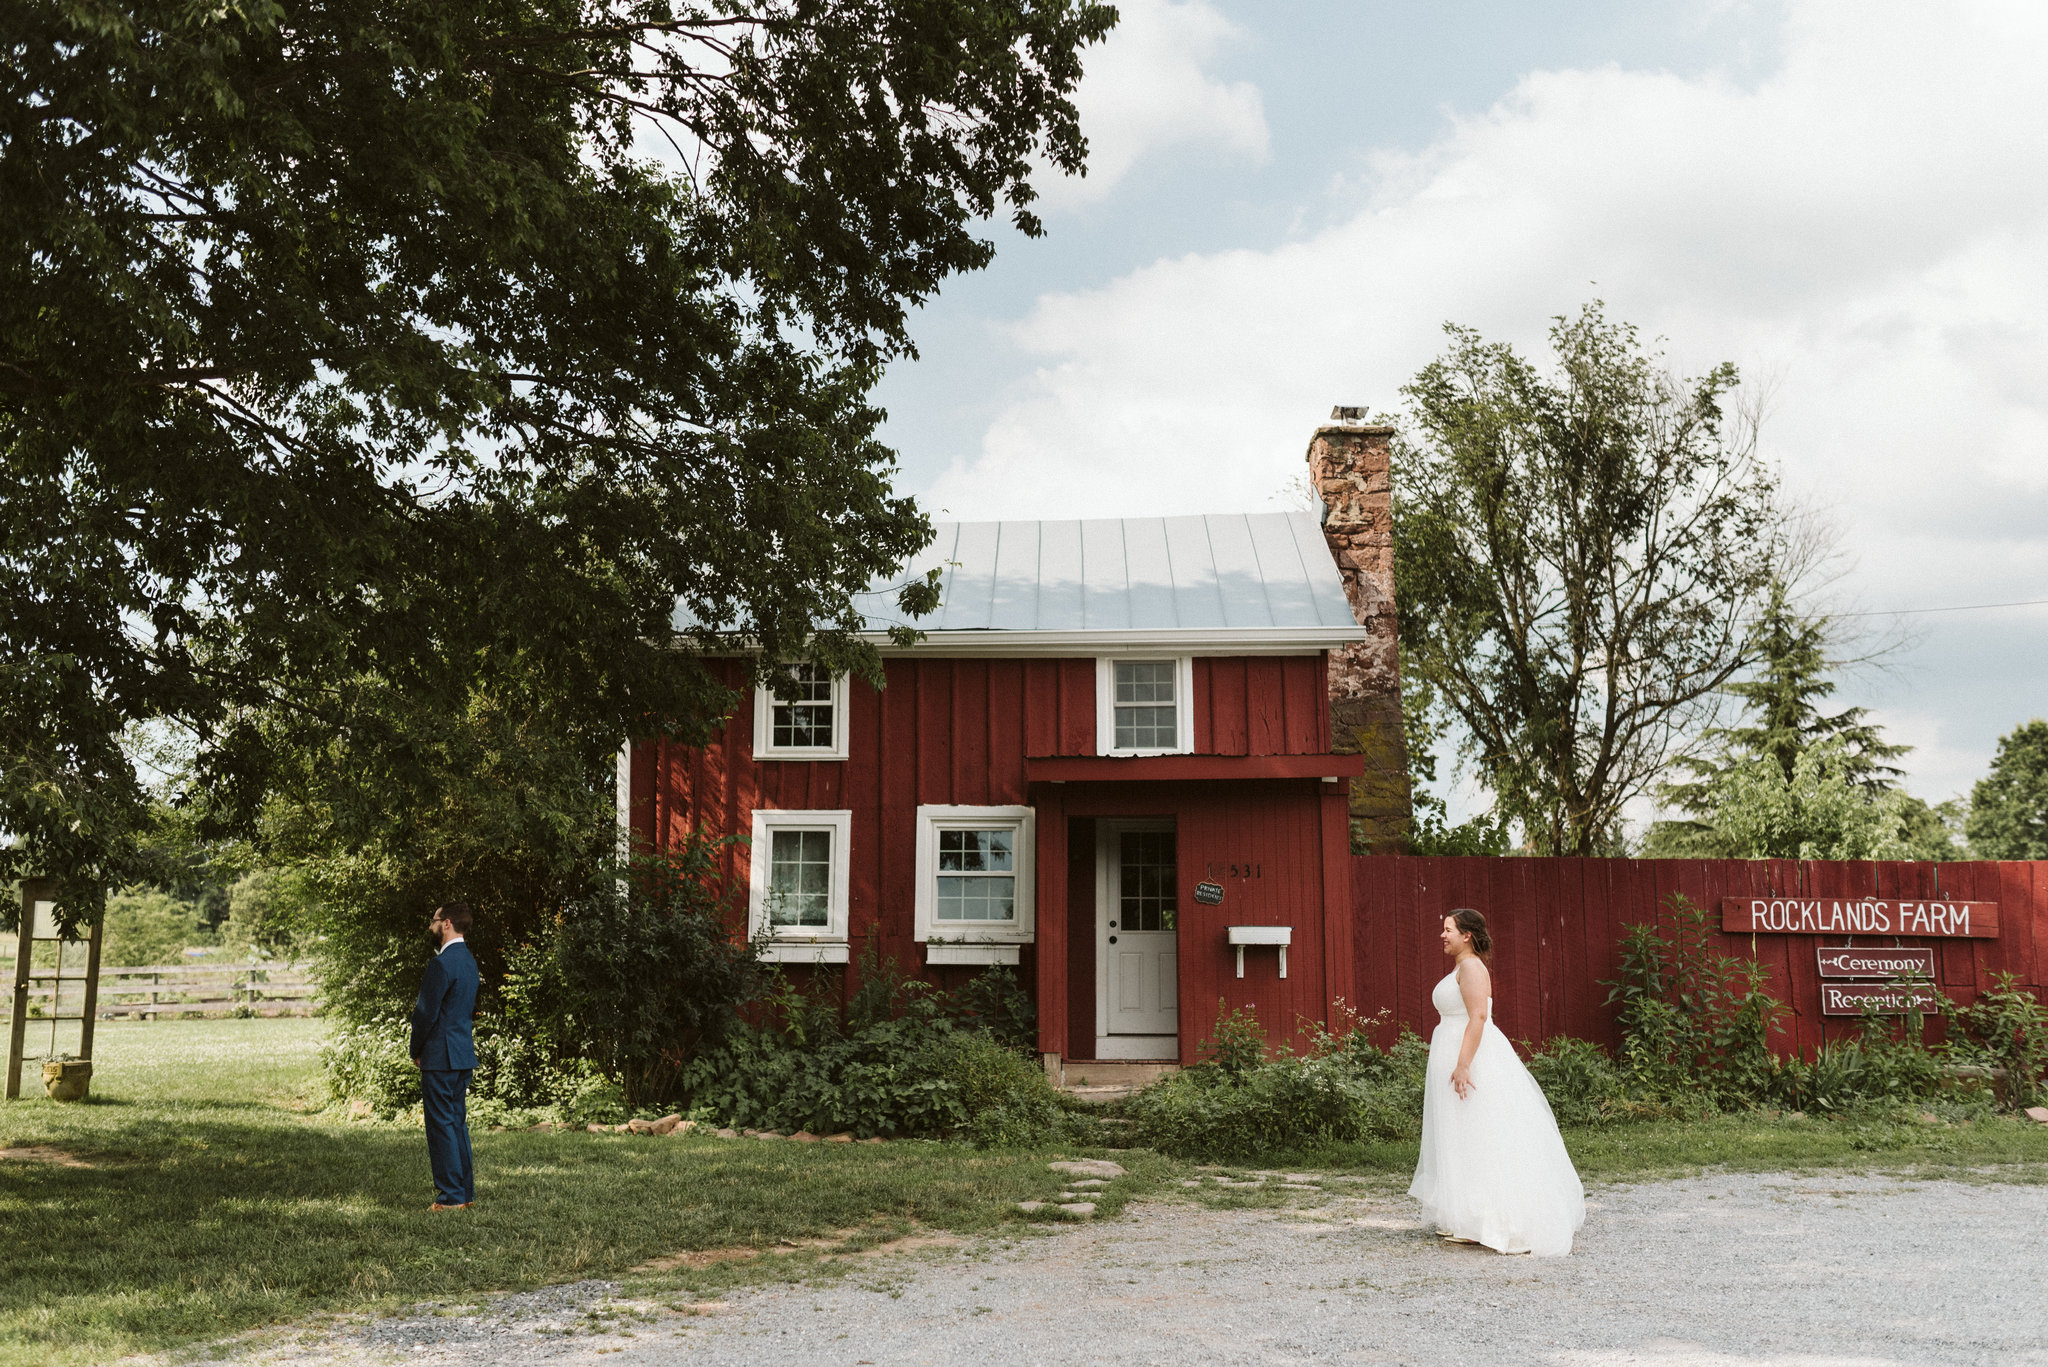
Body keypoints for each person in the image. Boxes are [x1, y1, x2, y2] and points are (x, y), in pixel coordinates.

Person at [1408, 908, 1585, 1255]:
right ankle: (1468, 1217)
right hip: (1457, 1053)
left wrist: (1462, 1065)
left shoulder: (1472, 968)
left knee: (1477, 1133)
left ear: (1466, 935)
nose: (1442, 936)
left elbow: (1478, 1016)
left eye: (1448, 930)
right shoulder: (1462, 968)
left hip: (1472, 1059)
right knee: (1461, 1134)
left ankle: (1488, 1220)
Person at [411, 901, 479, 1211]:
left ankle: (450, 1197)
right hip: (463, 1054)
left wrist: (416, 1049)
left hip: (440, 1057)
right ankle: (464, 1194)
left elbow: (425, 1014)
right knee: (456, 1124)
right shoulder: (469, 962)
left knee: (441, 1126)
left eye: (434, 920)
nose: (431, 926)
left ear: (447, 923)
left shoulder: (440, 964)